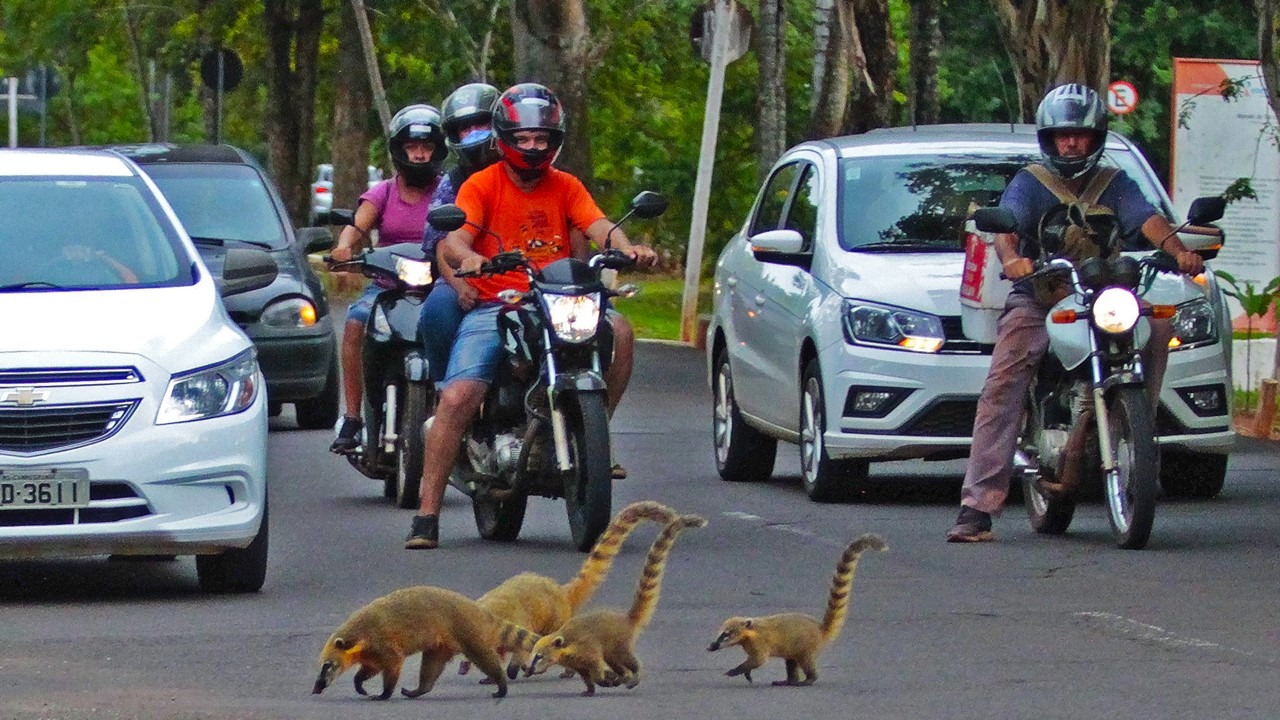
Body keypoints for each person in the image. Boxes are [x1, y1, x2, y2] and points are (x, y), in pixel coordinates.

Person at [946, 83, 1205, 543]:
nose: (1071, 144)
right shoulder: (1030, 182)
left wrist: (1178, 251)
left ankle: (1134, 427)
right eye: (1063, 136)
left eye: (1081, 136)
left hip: (1104, 298)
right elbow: (1008, 222)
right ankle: (977, 506)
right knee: (1005, 378)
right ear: (1049, 139)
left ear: (1096, 138)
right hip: (1041, 296)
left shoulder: (1115, 183)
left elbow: (1147, 218)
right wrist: (1012, 260)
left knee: (1160, 324)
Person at [404, 82, 658, 549]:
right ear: (505, 139)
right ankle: (426, 513)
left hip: (557, 300)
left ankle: (591, 438)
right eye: (523, 139)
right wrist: (470, 258)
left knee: (619, 330)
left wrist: (629, 249)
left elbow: (599, 226)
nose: (533, 148)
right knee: (459, 396)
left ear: (554, 141)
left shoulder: (567, 186)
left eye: (542, 139)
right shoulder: (482, 185)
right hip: (495, 303)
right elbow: (455, 236)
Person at [329, 104, 448, 454]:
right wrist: (344, 247)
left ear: (437, 149)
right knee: (354, 324)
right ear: (400, 149)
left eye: (426, 147)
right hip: (386, 284)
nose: (420, 154)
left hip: (436, 285)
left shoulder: (448, 192)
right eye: (413, 147)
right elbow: (357, 226)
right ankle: (353, 417)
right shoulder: (384, 191)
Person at [418, 82, 503, 386]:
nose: (472, 133)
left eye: (480, 124)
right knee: (437, 312)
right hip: (465, 276)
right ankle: (444, 394)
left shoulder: (523, 169)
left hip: (523, 273)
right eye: (463, 128)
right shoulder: (452, 182)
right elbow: (442, 245)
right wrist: (460, 285)